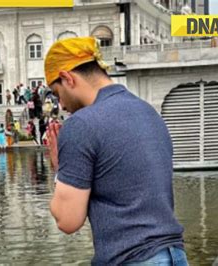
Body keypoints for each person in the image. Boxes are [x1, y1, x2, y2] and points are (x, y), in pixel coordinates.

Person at [45, 36, 186, 265]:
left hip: (132, 258)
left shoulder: (81, 124)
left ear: (67, 78)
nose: (61, 104)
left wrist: (60, 170)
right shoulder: (148, 113)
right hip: (174, 254)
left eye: (57, 93)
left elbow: (67, 220)